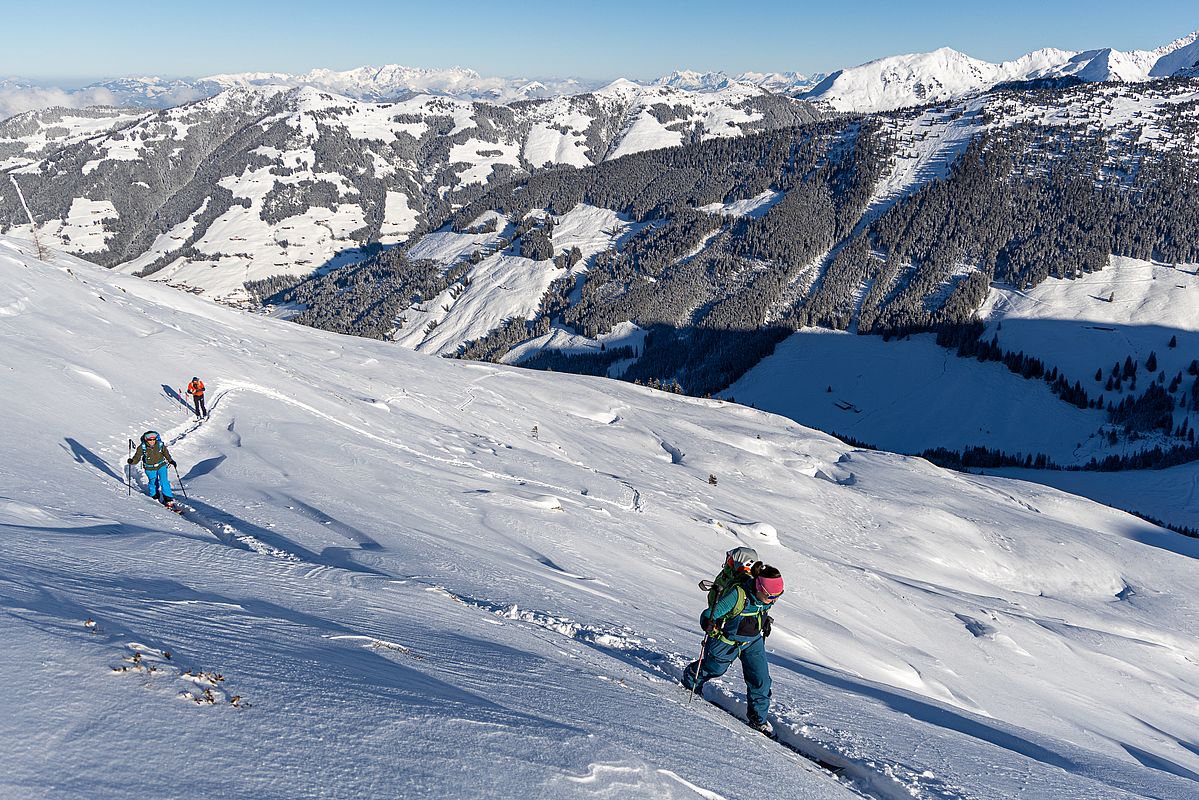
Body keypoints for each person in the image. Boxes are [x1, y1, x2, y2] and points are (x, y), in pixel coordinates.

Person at [683, 560, 784, 734]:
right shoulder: (738, 595)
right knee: (714, 669)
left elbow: (759, 609)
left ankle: (758, 720)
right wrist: (708, 623)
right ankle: (691, 680)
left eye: (778, 596)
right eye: (771, 596)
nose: (773, 600)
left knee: (760, 680)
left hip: (752, 641)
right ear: (759, 588)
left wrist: (764, 621)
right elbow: (709, 614)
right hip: (726, 640)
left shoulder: (765, 598)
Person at [128, 431, 177, 506]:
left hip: (161, 466)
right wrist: (132, 461)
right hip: (150, 468)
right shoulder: (142, 447)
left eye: (154, 439)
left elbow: (166, 453)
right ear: (146, 440)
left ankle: (168, 499)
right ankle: (155, 497)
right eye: (150, 440)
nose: (152, 441)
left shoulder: (160, 444)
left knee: (164, 482)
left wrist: (171, 461)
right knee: (153, 482)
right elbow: (137, 457)